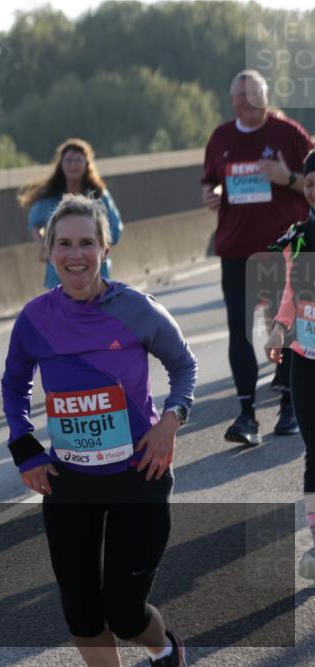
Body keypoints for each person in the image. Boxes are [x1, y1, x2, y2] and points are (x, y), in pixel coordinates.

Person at [2, 194, 197, 667]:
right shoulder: (34, 319)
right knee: (83, 614)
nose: (75, 255)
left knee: (125, 613)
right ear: (48, 252)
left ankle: (164, 650)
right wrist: (25, 446)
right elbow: (14, 384)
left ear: (105, 248)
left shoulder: (136, 309)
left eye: (87, 242)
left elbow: (184, 367)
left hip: (138, 473)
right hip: (71, 480)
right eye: (64, 244)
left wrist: (170, 423)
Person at [201, 69, 313, 445]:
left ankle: (288, 405)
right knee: (239, 330)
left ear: (266, 98)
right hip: (236, 249)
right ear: (231, 99)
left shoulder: (289, 133)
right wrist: (212, 194)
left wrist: (287, 178)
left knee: (286, 326)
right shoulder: (220, 138)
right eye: (240, 96)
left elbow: (310, 182)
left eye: (254, 95)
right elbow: (210, 182)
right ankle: (246, 414)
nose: (247, 102)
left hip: (284, 249)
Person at [264, 149, 315, 580]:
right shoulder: (297, 237)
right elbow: (289, 293)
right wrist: (280, 329)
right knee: (314, 451)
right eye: (311, 182)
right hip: (306, 359)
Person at [18, 138, 123, 290]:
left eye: (78, 160)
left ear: (87, 164)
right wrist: (44, 247)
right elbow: (34, 222)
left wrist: (93, 245)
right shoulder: (50, 196)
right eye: (68, 160)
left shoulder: (100, 196)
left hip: (94, 272)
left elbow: (115, 229)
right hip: (59, 273)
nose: (73, 165)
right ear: (61, 164)